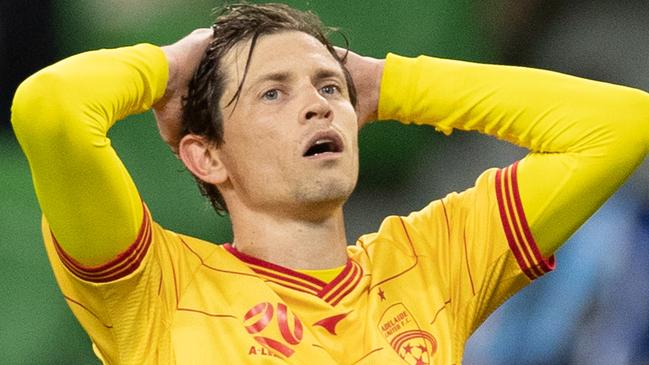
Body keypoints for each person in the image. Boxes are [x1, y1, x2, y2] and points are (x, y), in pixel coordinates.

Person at [10, 3, 649, 364]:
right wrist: (173, 64)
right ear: (207, 158)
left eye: (329, 88)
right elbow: (50, 109)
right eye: (271, 93)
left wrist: (389, 83)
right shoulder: (153, 289)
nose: (317, 106)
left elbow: (621, 125)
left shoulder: (434, 262)